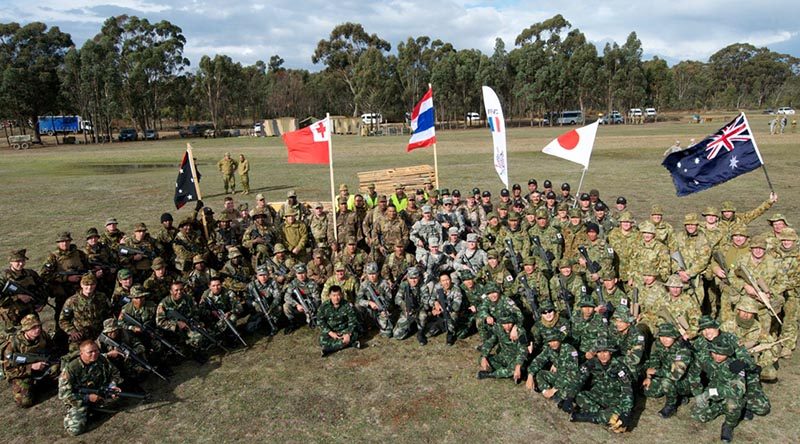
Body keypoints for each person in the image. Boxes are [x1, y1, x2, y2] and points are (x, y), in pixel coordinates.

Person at [58, 339, 123, 436]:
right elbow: (64, 395)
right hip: (79, 399)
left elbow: (115, 372)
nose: (94, 354)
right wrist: (87, 398)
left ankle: (94, 408)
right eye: (90, 352)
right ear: (81, 353)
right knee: (75, 430)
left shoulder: (101, 359)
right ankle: (74, 416)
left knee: (118, 399)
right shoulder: (70, 369)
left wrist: (112, 385)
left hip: (99, 391)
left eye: (96, 350)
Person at [570, 338, 634, 433]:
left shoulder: (620, 367)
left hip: (615, 400)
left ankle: (588, 417)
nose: (602, 355)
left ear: (611, 353)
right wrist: (569, 397)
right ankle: (604, 416)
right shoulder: (591, 363)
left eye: (605, 352)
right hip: (598, 395)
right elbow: (579, 379)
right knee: (580, 396)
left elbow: (627, 390)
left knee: (620, 416)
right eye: (599, 352)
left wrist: (626, 413)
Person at [690, 340, 747, 443]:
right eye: (714, 353)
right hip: (714, 393)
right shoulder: (705, 359)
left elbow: (738, 390)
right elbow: (693, 375)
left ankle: (728, 426)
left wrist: (709, 393)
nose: (717, 356)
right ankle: (720, 408)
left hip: (730, 395)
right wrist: (698, 393)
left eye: (722, 354)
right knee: (697, 415)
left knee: (732, 405)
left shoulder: (735, 365)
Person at [1, 314, 59, 408]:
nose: (38, 329)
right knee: (24, 402)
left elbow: (53, 350)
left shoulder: (43, 336)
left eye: (38, 326)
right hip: (22, 373)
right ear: (25, 330)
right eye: (33, 327)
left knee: (57, 368)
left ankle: (41, 384)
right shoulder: (13, 345)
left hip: (42, 365)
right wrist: (31, 367)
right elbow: (9, 371)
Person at [642, 323, 695, 418]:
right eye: (662, 336)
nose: (664, 339)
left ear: (674, 336)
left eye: (668, 336)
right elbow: (654, 359)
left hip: (686, 381)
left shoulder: (683, 349)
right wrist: (649, 377)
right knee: (648, 390)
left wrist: (656, 372)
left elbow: (676, 375)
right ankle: (677, 395)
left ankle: (671, 405)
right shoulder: (659, 343)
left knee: (666, 382)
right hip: (666, 373)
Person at [526, 329, 580, 412]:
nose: (553, 343)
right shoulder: (549, 349)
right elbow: (538, 360)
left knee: (569, 391)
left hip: (568, 381)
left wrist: (554, 389)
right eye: (550, 341)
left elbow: (572, 374)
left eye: (555, 340)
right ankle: (547, 393)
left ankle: (558, 397)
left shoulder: (570, 350)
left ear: (560, 340)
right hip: (558, 376)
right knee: (540, 374)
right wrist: (530, 375)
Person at [59, 273, 110, 351]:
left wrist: (108, 329)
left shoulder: (102, 297)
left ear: (96, 284)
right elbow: (63, 320)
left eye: (92, 284)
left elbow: (109, 314)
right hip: (81, 335)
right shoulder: (72, 301)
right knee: (75, 353)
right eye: (86, 284)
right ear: (81, 284)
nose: (89, 287)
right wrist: (72, 331)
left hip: (100, 333)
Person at [477, 313, 528, 382]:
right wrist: (484, 357)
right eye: (504, 324)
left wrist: (518, 367)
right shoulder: (497, 328)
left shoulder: (520, 331)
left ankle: (491, 374)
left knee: (516, 369)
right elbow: (489, 342)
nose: (507, 326)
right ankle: (506, 373)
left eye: (509, 323)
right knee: (482, 359)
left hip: (516, 359)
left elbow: (523, 351)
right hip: (503, 356)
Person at [318, 285, 360, 357]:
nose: (336, 298)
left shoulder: (346, 305)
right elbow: (320, 321)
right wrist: (330, 333)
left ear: (341, 295)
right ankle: (351, 344)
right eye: (334, 295)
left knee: (355, 335)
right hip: (331, 330)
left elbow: (352, 320)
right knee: (322, 340)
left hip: (344, 329)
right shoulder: (324, 306)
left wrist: (348, 333)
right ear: (329, 296)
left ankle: (328, 349)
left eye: (338, 295)